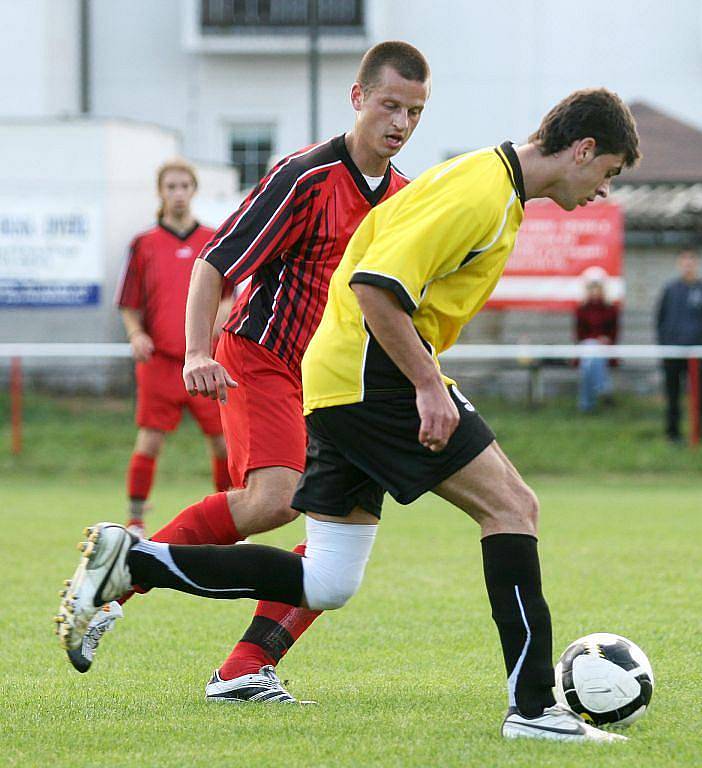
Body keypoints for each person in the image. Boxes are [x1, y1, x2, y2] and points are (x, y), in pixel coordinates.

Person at [56, 87, 640, 742]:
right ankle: (534, 710)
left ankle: (138, 564)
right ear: (583, 149)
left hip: (340, 378)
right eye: (609, 173)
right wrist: (426, 385)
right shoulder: (481, 189)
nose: (603, 192)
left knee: (327, 579)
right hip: (374, 378)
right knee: (512, 508)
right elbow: (375, 286)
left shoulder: (486, 184)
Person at [62, 41, 431, 692]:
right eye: (390, 106)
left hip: (339, 386)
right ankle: (125, 576)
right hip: (264, 359)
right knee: (275, 501)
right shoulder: (305, 176)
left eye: (415, 112)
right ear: (357, 98)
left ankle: (244, 667)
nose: (400, 124)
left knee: (341, 538)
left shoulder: (403, 199)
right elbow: (215, 259)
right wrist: (198, 350)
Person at [116, 159, 233, 539]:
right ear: (160, 192)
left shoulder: (214, 240)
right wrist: (136, 334)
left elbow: (231, 294)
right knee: (149, 439)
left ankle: (229, 520)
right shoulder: (144, 244)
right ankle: (135, 520)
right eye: (171, 186)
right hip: (162, 362)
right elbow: (129, 303)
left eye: (185, 186)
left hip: (206, 361)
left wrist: (221, 321)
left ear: (194, 190)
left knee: (223, 442)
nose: (178, 193)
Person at [655, 249, 702, 442]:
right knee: (672, 395)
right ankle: (672, 434)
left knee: (698, 395)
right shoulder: (670, 289)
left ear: (696, 262)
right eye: (684, 260)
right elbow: (660, 319)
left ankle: (698, 434)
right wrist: (665, 344)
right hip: (672, 352)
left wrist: (701, 342)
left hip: (696, 353)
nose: (688, 264)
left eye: (691, 260)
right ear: (679, 263)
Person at [574, 271, 619, 412]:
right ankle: (602, 387)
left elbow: (614, 333)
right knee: (591, 352)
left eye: (597, 288)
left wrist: (605, 339)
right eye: (592, 288)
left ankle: (586, 404)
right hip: (587, 346)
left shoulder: (611, 310)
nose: (595, 291)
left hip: (605, 349)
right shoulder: (581, 310)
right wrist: (594, 340)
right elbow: (580, 335)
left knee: (589, 363)